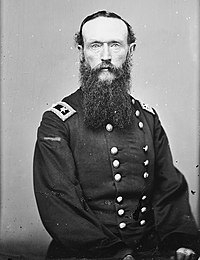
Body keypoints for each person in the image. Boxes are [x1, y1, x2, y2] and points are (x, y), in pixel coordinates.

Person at [33, 11, 200, 260]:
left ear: (130, 50)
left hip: (148, 252)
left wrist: (180, 242)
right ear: (81, 52)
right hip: (88, 254)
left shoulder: (148, 119)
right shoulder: (58, 122)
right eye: (96, 45)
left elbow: (169, 189)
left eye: (115, 45)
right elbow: (59, 203)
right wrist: (116, 254)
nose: (106, 56)